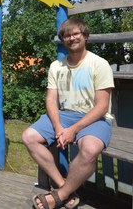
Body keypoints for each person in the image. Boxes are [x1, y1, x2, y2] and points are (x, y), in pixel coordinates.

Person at [22, 18, 114, 209]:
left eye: (76, 34)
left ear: (85, 36)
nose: (71, 38)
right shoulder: (56, 66)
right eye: (66, 35)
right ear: (62, 40)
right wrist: (58, 127)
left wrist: (72, 130)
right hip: (64, 114)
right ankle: (64, 186)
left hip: (94, 117)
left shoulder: (99, 64)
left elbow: (102, 106)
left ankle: (60, 195)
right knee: (29, 136)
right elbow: (50, 99)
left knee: (89, 150)